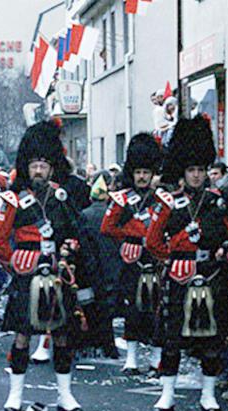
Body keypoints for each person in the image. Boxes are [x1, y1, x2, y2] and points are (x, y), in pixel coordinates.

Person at [0, 120, 96, 411]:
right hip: (27, 273)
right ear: (27, 167)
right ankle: (14, 396)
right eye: (34, 165)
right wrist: (13, 260)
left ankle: (65, 395)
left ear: (52, 169)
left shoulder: (62, 197)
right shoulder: (13, 200)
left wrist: (69, 248)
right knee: (23, 335)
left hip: (55, 270)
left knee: (62, 336)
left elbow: (75, 231)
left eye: (43, 166)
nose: (38, 171)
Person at [146, 116, 228, 411]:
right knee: (173, 337)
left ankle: (208, 395)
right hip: (180, 274)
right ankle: (167, 395)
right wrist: (172, 256)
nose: (197, 175)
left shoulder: (217, 201)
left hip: (211, 275)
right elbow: (152, 241)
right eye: (192, 170)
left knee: (212, 339)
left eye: (201, 170)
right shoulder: (169, 202)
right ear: (182, 172)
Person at [101, 133, 164, 375]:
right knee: (132, 310)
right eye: (138, 172)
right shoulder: (122, 198)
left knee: (157, 310)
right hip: (131, 259)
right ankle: (132, 359)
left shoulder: (161, 198)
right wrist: (132, 234)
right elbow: (107, 227)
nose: (142, 177)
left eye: (146, 173)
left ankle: (157, 358)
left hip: (154, 258)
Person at [79, 171, 121, 359]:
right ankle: (108, 345)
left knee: (91, 305)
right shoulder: (113, 214)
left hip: (92, 265)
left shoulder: (84, 215)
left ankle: (91, 341)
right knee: (107, 307)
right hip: (112, 263)